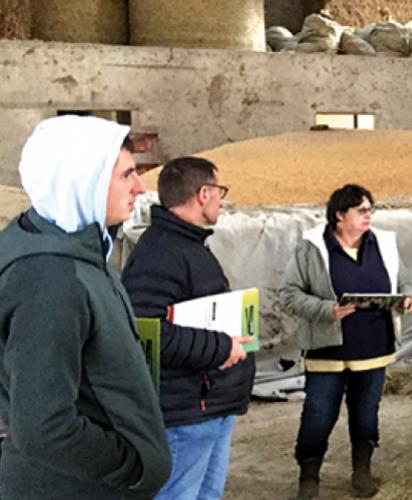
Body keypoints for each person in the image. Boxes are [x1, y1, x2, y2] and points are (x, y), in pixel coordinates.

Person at [0, 115, 171, 498]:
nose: (141, 188)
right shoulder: (49, 277)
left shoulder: (79, 252)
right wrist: (131, 466)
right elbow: (43, 427)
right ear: (83, 179)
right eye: (126, 175)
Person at [121, 156, 256, 500]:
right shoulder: (161, 253)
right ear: (203, 194)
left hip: (209, 405)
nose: (222, 200)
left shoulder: (187, 245)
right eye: (219, 191)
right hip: (186, 413)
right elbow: (147, 331)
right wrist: (221, 348)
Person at [280, 184, 412, 499]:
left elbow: (404, 280)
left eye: (370, 209)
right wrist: (326, 310)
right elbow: (289, 294)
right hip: (327, 349)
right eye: (361, 210)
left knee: (366, 413)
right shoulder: (312, 246)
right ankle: (309, 478)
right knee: (318, 414)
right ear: (340, 215)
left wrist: (407, 297)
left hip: (373, 348)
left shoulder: (383, 242)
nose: (369, 216)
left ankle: (362, 472)